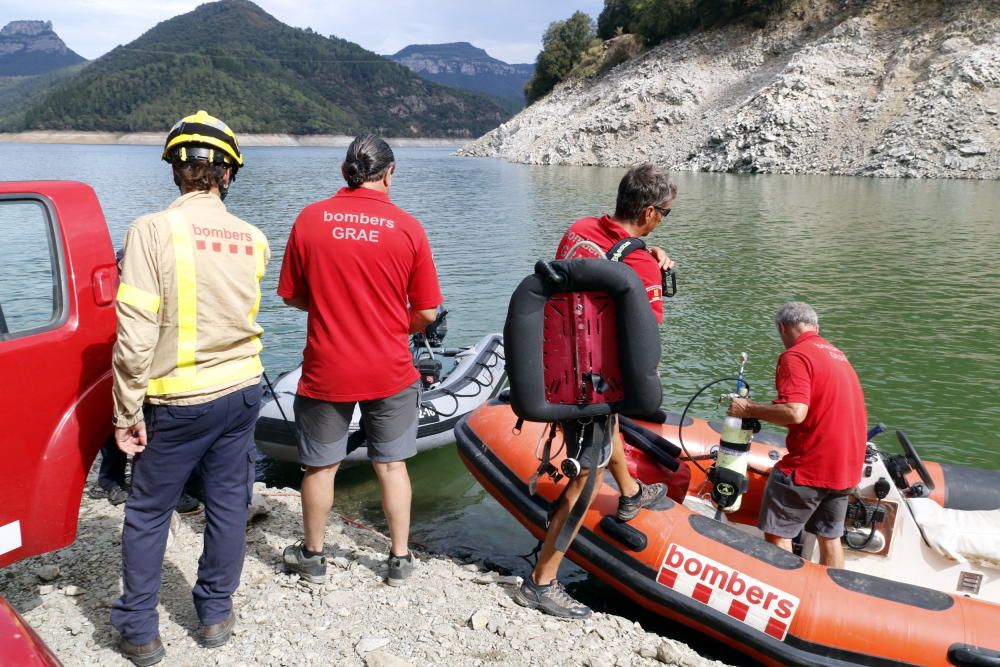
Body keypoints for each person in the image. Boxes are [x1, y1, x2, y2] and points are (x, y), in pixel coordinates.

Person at [110, 110, 270, 666]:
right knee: (228, 502)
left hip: (178, 400)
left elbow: (134, 336)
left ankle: (139, 630)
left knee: (150, 511)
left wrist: (124, 410)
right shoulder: (253, 239)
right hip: (243, 390)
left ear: (177, 170)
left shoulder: (150, 231)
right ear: (227, 173)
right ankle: (215, 614)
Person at [278, 134, 442, 588]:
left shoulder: (310, 219)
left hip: (327, 366)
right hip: (389, 367)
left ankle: (312, 556)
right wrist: (392, 325)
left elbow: (293, 296)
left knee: (320, 466)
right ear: (389, 173)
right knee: (391, 465)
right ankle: (399, 559)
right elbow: (427, 312)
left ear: (344, 172)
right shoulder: (408, 228)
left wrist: (334, 306)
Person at [514, 163, 677, 619]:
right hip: (593, 382)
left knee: (602, 441)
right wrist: (647, 261)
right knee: (585, 477)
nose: (663, 219)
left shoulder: (578, 230)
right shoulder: (640, 264)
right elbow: (647, 338)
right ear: (648, 211)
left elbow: (598, 260)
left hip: (554, 364)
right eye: (664, 213)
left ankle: (629, 492)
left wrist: (648, 246)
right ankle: (542, 582)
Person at [727, 301, 867, 568]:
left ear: (782, 327)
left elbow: (795, 412)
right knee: (830, 537)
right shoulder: (837, 355)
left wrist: (748, 409)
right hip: (846, 468)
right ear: (816, 327)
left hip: (810, 468)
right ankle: (833, 593)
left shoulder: (796, 355)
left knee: (779, 533)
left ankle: (783, 592)